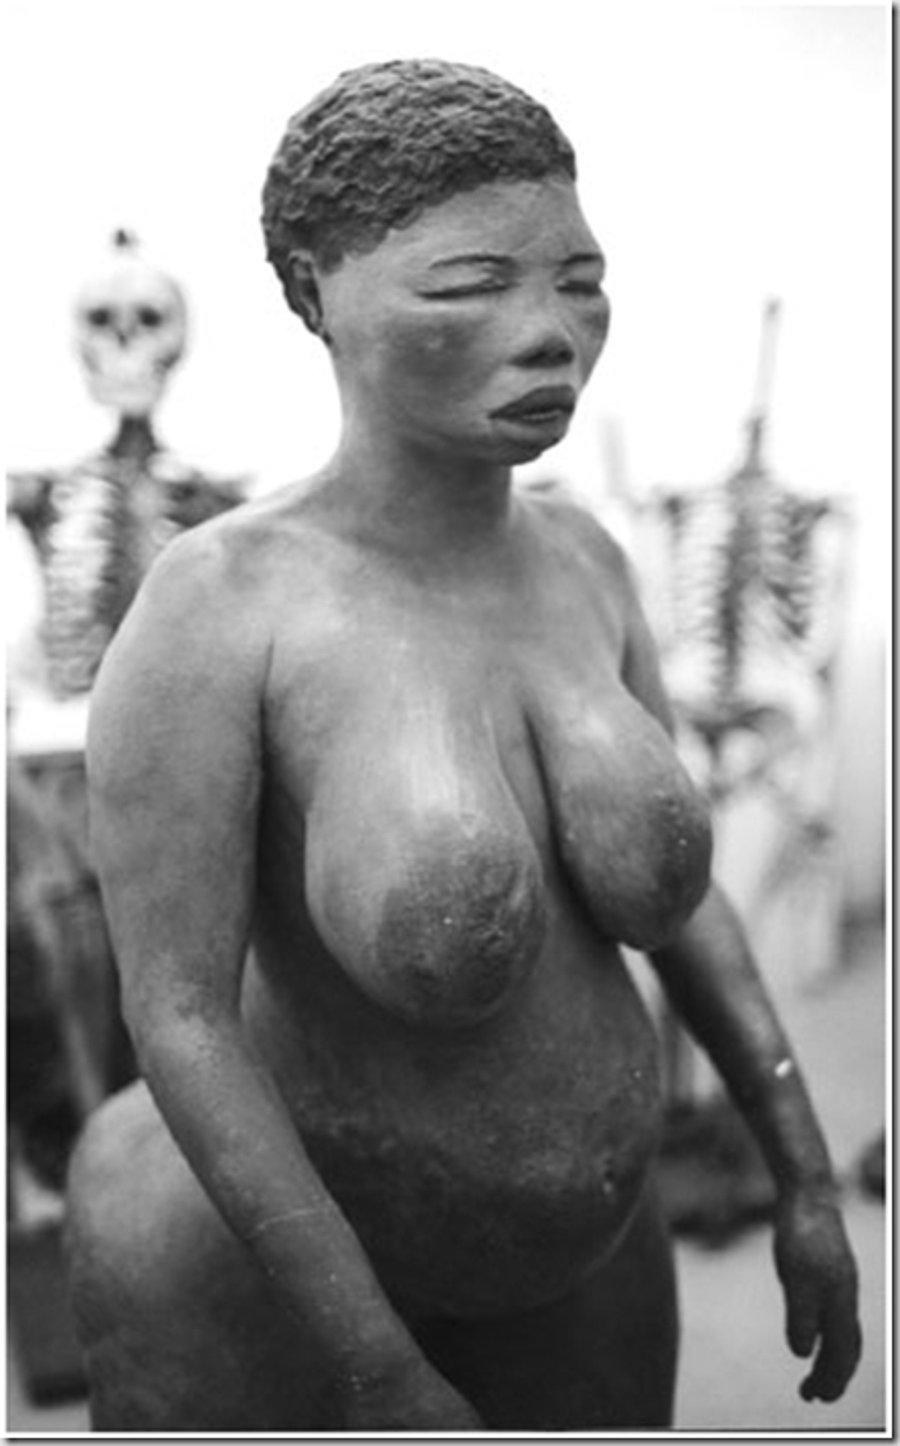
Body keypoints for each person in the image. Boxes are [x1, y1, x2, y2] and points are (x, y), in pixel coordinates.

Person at [65, 58, 861, 1432]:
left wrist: (805, 1173)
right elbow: (181, 1017)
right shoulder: (219, 607)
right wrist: (372, 1363)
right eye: (470, 286)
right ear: (316, 293)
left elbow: (686, 906)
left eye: (580, 281)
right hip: (294, 1279)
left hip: (592, 1248)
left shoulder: (587, 559)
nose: (551, 332)